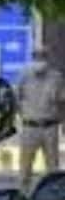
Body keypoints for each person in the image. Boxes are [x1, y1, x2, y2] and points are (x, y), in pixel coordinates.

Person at [16, 48, 65, 191]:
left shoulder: (56, 77)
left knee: (53, 169)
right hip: (30, 127)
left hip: (50, 126)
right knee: (25, 169)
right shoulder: (23, 75)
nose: (40, 60)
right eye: (37, 56)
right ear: (32, 57)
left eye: (43, 56)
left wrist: (63, 123)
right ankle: (23, 198)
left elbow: (62, 102)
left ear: (47, 58)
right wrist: (24, 116)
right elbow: (16, 99)